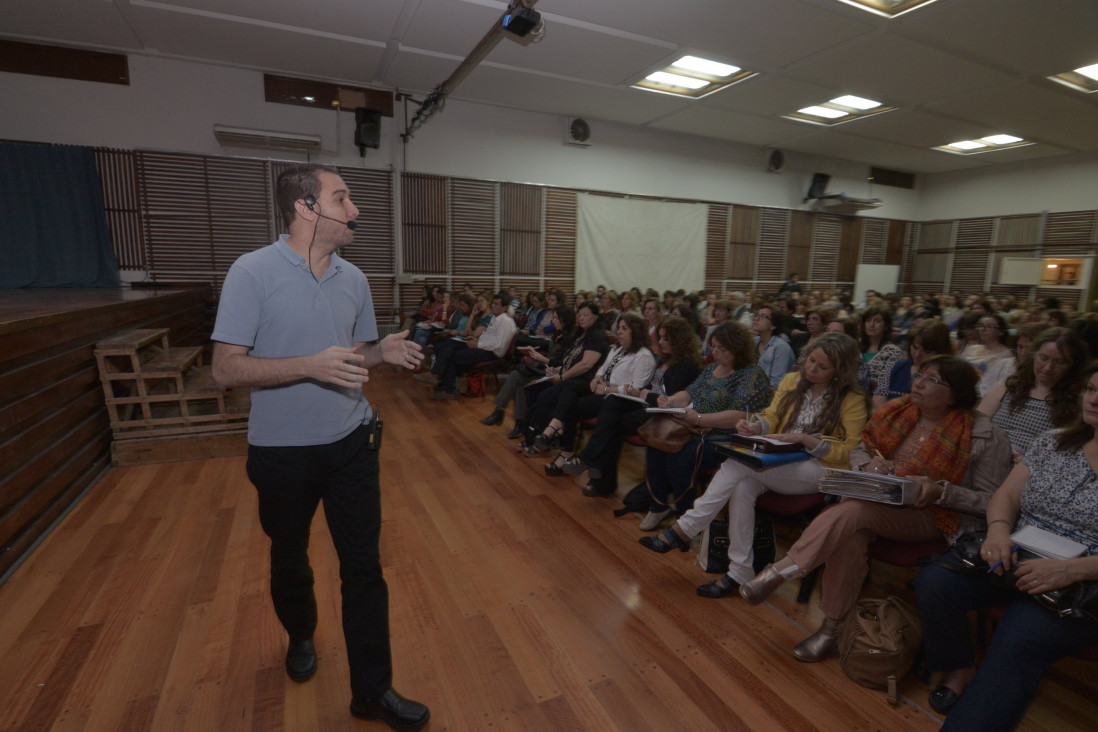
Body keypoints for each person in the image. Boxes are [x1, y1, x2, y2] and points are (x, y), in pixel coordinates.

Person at [210, 164, 429, 730]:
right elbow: (225, 369)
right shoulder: (251, 272)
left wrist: (382, 353)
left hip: (353, 442)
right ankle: (300, 632)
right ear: (307, 207)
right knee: (290, 556)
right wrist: (309, 364)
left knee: (363, 569)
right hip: (282, 452)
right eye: (343, 198)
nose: (355, 210)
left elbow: (353, 359)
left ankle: (372, 691)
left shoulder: (354, 279)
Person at [739, 356, 1012, 663]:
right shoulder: (896, 411)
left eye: (932, 380)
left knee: (854, 513)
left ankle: (781, 570)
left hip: (934, 515)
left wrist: (940, 491)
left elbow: (990, 501)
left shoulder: (983, 434)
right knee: (851, 532)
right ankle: (831, 629)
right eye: (920, 375)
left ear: (956, 393)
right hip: (877, 502)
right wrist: (869, 464)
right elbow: (860, 449)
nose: (918, 383)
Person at [914, 364, 1098, 730]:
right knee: (935, 583)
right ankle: (958, 668)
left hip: (1083, 579)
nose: (1094, 399)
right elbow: (1008, 494)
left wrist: (1070, 569)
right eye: (1091, 388)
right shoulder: (1055, 441)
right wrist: (998, 531)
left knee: (1019, 636)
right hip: (1019, 551)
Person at [641, 333, 868, 598]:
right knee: (742, 487)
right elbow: (771, 416)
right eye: (810, 360)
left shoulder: (852, 399)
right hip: (779, 459)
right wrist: (755, 425)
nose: (811, 368)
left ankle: (686, 527)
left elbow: (849, 450)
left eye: (822, 366)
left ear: (839, 371)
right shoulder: (792, 381)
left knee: (739, 464)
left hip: (819, 467)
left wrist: (804, 439)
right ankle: (739, 572)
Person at [640, 322, 772, 530]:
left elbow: (742, 416)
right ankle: (658, 505)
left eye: (721, 349)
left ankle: (688, 516)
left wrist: (700, 419)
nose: (715, 353)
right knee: (657, 444)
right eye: (713, 347)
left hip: (727, 438)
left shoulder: (751, 374)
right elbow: (689, 393)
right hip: (695, 429)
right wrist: (672, 401)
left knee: (681, 457)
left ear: (737, 349)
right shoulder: (711, 369)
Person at [563, 316, 703, 496]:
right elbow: (650, 390)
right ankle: (595, 467)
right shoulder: (666, 360)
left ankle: (595, 467)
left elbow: (668, 401)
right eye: (659, 337)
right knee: (612, 407)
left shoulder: (686, 366)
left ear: (679, 340)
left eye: (665, 338)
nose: (660, 342)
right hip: (647, 405)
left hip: (663, 415)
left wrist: (642, 393)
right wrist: (641, 393)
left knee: (611, 420)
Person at [531, 313, 656, 474]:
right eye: (618, 328)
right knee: (570, 392)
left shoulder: (644, 356)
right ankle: (558, 433)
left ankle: (568, 451)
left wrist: (606, 389)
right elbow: (602, 369)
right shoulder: (617, 349)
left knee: (574, 403)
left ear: (636, 331)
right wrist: (596, 379)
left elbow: (635, 389)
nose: (619, 332)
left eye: (624, 328)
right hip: (604, 392)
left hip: (623, 400)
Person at [977, 327, 1087, 458]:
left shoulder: (1078, 403)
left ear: (1072, 365)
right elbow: (976, 428)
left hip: (1033, 470)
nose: (1048, 368)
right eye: (1043, 358)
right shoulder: (1007, 388)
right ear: (1034, 355)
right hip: (988, 458)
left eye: (1059, 362)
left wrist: (1030, 463)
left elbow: (1072, 454)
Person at [520, 301, 609, 452]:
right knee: (534, 391)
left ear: (595, 317)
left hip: (586, 382)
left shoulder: (597, 336)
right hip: (572, 380)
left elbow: (585, 365)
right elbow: (571, 361)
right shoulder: (581, 334)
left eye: (585, 315)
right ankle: (536, 435)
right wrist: (557, 370)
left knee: (545, 397)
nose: (581, 318)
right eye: (579, 315)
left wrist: (562, 377)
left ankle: (545, 437)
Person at [480, 305, 574, 434]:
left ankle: (502, 413)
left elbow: (565, 363)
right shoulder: (557, 334)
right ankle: (516, 422)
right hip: (546, 369)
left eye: (556, 318)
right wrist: (536, 354)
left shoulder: (571, 339)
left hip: (556, 374)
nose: (553, 321)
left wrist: (543, 359)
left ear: (565, 320)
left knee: (517, 377)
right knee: (518, 377)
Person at [429, 293, 516, 399]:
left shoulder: (506, 322)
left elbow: (499, 345)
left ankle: (447, 387)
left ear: (504, 308)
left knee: (453, 355)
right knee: (450, 344)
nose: (492, 305)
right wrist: (477, 340)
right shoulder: (495, 318)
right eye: (493, 303)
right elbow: (488, 337)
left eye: (496, 304)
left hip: (491, 353)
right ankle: (439, 378)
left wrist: (478, 344)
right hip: (483, 346)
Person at [873, 320, 953, 409]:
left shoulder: (946, 375)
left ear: (941, 351)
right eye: (915, 347)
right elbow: (879, 395)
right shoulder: (897, 366)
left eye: (927, 351)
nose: (917, 354)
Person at [859, 305, 905, 400]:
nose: (871, 325)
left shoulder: (893, 352)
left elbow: (886, 385)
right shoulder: (855, 348)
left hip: (876, 402)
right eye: (868, 320)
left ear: (886, 326)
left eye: (877, 321)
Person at [968, 313, 1016, 396]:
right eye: (981, 325)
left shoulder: (1006, 355)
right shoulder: (971, 348)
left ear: (1000, 332)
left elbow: (999, 383)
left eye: (989, 326)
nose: (983, 329)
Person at [752, 304, 796, 389]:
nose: (756, 319)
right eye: (756, 315)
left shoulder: (781, 347)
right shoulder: (753, 342)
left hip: (770, 395)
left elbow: (776, 384)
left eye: (763, 316)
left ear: (773, 326)